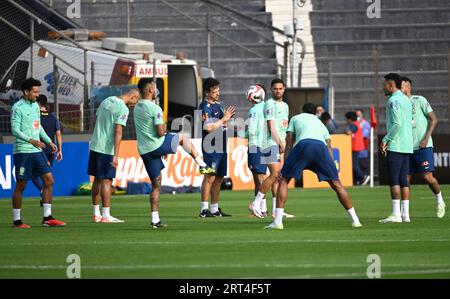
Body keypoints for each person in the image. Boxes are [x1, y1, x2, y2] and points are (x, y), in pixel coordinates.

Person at [265, 103, 362, 229]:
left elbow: (289, 142)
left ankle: (277, 222)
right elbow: (328, 144)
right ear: (315, 112)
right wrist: (332, 166)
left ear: (302, 110)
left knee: (284, 180)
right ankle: (355, 220)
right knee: (336, 184)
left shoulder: (295, 118)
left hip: (303, 146)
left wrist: (285, 164)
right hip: (320, 149)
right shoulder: (320, 122)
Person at [135, 78, 212, 228]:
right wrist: (163, 128)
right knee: (182, 137)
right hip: (156, 144)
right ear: (150, 89)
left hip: (145, 150)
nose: (156, 89)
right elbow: (160, 131)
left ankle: (155, 220)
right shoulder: (154, 108)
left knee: (156, 185)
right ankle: (201, 163)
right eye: (155, 87)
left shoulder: (137, 107)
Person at [10, 78, 65, 228]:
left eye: (38, 92)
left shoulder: (35, 105)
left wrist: (49, 141)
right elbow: (15, 130)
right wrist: (30, 140)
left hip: (37, 150)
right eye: (34, 92)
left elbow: (38, 126)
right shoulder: (17, 107)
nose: (37, 95)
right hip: (23, 151)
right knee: (21, 184)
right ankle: (17, 221)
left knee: (49, 181)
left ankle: (47, 218)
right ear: (26, 92)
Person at [88, 88, 140, 223]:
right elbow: (118, 131)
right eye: (134, 103)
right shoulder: (123, 108)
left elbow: (95, 119)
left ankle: (96, 214)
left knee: (97, 180)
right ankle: (106, 215)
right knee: (107, 180)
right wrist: (116, 155)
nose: (133, 106)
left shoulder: (106, 100)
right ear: (133, 97)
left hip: (94, 145)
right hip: (107, 149)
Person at [401, 77, 446, 218]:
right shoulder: (398, 104)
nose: (399, 90)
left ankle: (439, 199)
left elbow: (433, 118)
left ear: (408, 88)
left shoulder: (419, 100)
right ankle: (405, 214)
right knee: (405, 178)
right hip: (406, 148)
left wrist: (426, 138)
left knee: (428, 177)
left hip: (422, 146)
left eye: (401, 87)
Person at [249, 78, 294, 218]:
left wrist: (284, 143)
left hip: (280, 143)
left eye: (280, 88)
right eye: (275, 88)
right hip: (269, 143)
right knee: (274, 174)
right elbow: (271, 126)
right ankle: (256, 203)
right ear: (271, 89)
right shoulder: (269, 103)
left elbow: (283, 126)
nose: (278, 91)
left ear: (284, 89)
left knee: (279, 177)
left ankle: (276, 210)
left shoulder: (285, 106)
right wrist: (279, 142)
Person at [379, 73, 413, 223]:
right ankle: (405, 214)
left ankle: (395, 214)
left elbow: (397, 123)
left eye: (385, 84)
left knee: (394, 179)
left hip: (396, 144)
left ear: (391, 85)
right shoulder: (406, 100)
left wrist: (386, 139)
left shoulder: (393, 101)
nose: (383, 87)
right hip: (407, 144)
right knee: (403, 179)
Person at [198, 77, 235, 217]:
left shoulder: (218, 105)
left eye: (218, 91)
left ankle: (214, 209)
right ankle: (203, 209)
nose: (217, 94)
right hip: (211, 147)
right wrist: (224, 118)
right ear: (207, 92)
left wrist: (228, 120)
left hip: (222, 146)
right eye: (214, 91)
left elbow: (222, 124)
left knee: (219, 177)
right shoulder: (204, 107)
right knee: (210, 176)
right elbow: (208, 128)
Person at [31, 95, 63, 206]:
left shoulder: (35, 116)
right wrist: (60, 150)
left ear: (38, 103)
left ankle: (42, 191)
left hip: (38, 149)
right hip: (51, 150)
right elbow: (58, 134)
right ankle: (45, 198)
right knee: (46, 175)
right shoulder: (53, 117)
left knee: (33, 173)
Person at [245, 83, 268, 215]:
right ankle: (261, 209)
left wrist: (240, 133)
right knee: (260, 177)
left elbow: (252, 131)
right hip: (266, 144)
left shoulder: (254, 110)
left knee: (259, 178)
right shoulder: (267, 107)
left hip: (256, 145)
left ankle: (261, 209)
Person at [344, 111, 370, 186]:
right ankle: (361, 178)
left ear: (350, 119)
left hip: (355, 147)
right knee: (355, 164)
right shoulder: (357, 124)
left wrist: (345, 131)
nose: (346, 121)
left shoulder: (353, 124)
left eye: (347, 119)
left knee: (354, 164)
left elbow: (349, 132)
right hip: (357, 146)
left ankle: (363, 177)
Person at [355, 108, 371, 176]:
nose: (358, 116)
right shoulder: (354, 124)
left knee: (363, 165)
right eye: (356, 115)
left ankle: (365, 178)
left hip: (363, 149)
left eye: (359, 114)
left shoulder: (366, 124)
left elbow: (364, 135)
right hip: (355, 148)